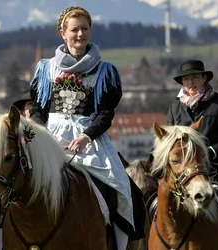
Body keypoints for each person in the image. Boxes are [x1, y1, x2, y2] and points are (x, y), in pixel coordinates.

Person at [29, 6, 144, 250]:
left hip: (89, 139)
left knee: (124, 189)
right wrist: (42, 135)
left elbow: (105, 114)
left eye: (85, 29)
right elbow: (37, 110)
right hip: (51, 138)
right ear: (63, 33)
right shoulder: (46, 68)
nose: (80, 34)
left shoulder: (105, 71)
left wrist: (86, 136)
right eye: (74, 29)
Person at [166, 59, 218, 247]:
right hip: (182, 175)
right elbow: (167, 143)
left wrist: (211, 151)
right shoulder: (175, 107)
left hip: (217, 171)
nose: (190, 83)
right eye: (186, 79)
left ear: (205, 78)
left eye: (195, 77)